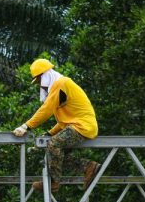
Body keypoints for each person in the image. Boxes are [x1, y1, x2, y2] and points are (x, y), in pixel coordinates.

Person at [12, 58, 99, 193]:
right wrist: (50, 133)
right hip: (78, 125)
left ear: (45, 76)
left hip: (82, 126)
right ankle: (88, 167)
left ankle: (53, 183)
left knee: (53, 144)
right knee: (55, 155)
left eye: (39, 81)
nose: (40, 85)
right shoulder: (59, 87)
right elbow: (64, 120)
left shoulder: (61, 84)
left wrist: (26, 126)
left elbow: (46, 109)